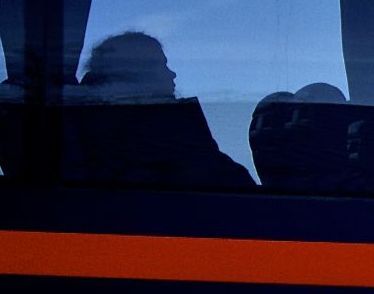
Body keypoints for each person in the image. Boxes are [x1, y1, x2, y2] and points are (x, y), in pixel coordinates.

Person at [66, 30, 254, 189]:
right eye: (162, 65)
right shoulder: (165, 136)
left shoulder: (82, 131)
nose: (172, 74)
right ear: (137, 72)